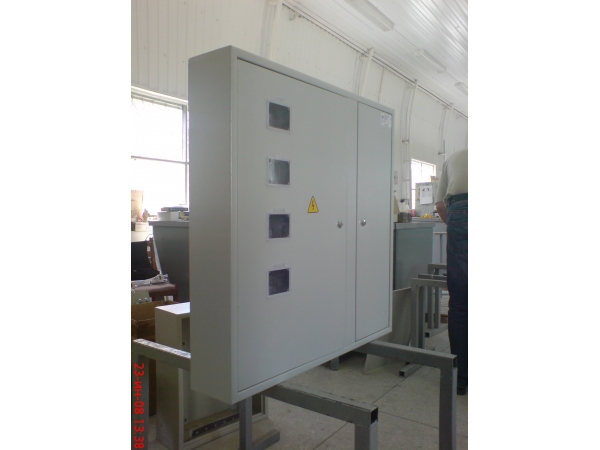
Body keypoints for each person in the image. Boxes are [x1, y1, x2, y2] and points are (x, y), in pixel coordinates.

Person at [435, 148, 468, 395]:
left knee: (460, 302)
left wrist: (458, 228)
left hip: (460, 212)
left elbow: (439, 205)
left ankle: (461, 378)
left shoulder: (454, 158)